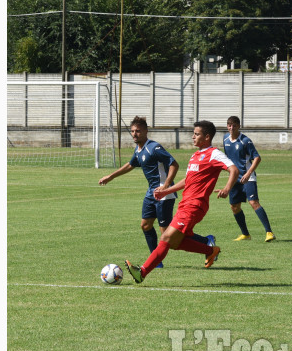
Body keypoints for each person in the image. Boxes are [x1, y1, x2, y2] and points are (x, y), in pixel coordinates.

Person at [125, 120, 239, 284]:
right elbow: (188, 180)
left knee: (166, 238)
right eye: (193, 133)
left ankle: (142, 272)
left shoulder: (214, 153)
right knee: (175, 243)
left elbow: (234, 169)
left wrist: (227, 188)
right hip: (185, 204)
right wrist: (167, 190)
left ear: (207, 137)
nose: (193, 137)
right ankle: (211, 250)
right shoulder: (195, 155)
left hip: (195, 205)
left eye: (197, 134)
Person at [99, 116, 213, 268]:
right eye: (132, 131)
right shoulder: (138, 149)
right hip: (151, 193)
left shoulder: (154, 148)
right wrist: (111, 176)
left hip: (164, 194)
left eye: (138, 131)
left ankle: (206, 241)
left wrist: (165, 186)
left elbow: (174, 164)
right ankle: (157, 261)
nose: (134, 134)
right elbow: (131, 164)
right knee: (145, 225)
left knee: (168, 234)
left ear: (146, 131)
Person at [222, 116, 276, 242]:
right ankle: (245, 234)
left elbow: (257, 157)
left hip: (248, 177)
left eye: (234, 125)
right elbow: (227, 157)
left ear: (239, 126)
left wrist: (248, 173)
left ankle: (269, 232)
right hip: (235, 178)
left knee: (253, 202)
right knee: (234, 206)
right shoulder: (225, 139)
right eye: (229, 125)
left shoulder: (245, 141)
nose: (231, 128)